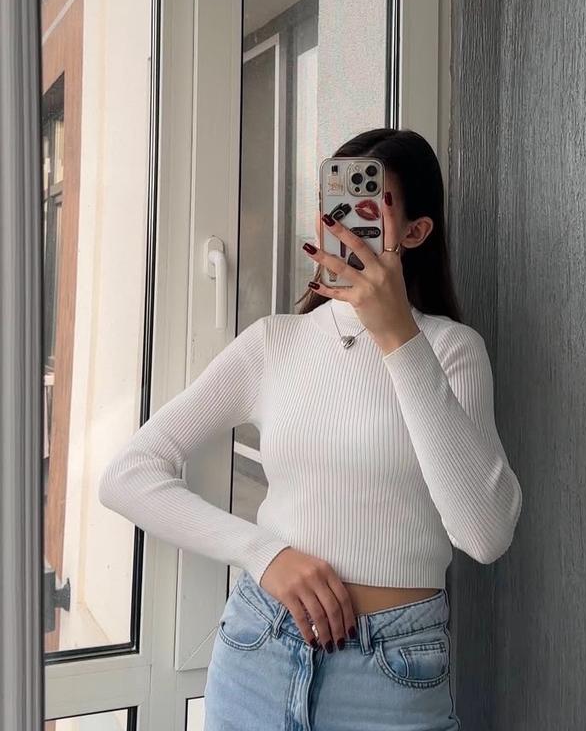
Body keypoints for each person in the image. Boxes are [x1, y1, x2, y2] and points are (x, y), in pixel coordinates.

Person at [98, 127, 522, 730]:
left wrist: (398, 337)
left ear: (415, 231)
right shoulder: (275, 343)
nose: (343, 222)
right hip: (258, 651)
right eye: (334, 203)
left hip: (391, 674)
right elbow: (126, 476)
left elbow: (484, 534)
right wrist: (263, 552)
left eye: (369, 206)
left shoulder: (451, 350)